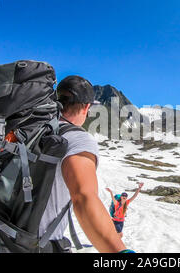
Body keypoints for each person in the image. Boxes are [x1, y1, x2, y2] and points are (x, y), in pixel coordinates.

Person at [38, 75, 130, 253]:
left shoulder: (30, 128)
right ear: (87, 107)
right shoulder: (77, 138)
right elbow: (84, 197)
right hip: (35, 244)